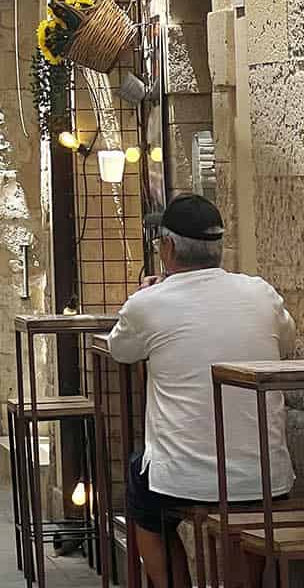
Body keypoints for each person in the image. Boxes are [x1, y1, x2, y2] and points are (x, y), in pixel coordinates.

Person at [107, 193, 296, 588]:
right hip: (265, 475)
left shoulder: (148, 304)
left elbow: (120, 350)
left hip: (181, 478)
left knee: (143, 501)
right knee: (242, 509)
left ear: (168, 246)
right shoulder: (262, 293)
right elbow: (287, 343)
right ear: (219, 248)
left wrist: (145, 294)